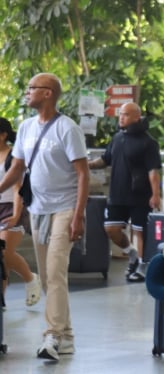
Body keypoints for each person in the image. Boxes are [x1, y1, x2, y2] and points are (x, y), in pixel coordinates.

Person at [0, 72, 89, 361]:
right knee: (52, 279)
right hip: (37, 210)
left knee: (54, 272)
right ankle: (67, 338)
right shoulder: (26, 127)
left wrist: (79, 216)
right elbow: (16, 169)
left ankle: (51, 335)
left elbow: (82, 173)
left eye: (32, 88)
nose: (27, 93)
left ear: (48, 93)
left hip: (64, 208)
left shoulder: (67, 128)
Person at [88, 102, 162, 282]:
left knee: (139, 232)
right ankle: (132, 255)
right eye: (120, 114)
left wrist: (155, 194)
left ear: (137, 117)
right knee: (111, 229)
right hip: (117, 195)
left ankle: (143, 266)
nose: (121, 117)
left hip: (140, 195)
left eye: (126, 114)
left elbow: (153, 171)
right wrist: (85, 164)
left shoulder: (149, 142)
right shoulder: (117, 138)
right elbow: (105, 160)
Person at [0, 118, 40, 307]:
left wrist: (16, 215)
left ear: (3, 135)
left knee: (3, 252)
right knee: (3, 260)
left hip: (11, 207)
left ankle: (30, 279)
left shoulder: (13, 158)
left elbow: (18, 189)